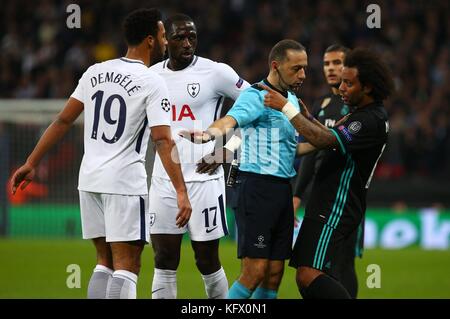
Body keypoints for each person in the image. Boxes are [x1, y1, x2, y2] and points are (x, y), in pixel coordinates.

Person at [10, 8, 192, 299]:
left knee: (103, 263)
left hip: (90, 181)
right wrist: (181, 190)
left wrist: (32, 162)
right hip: (123, 184)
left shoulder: (95, 71)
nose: (166, 41)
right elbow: (163, 140)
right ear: (149, 40)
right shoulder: (152, 81)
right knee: (128, 266)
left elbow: (63, 120)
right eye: (161, 35)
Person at [260, 48, 394, 298]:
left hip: (336, 207)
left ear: (367, 87)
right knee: (307, 275)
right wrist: (308, 117)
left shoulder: (368, 120)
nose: (341, 87)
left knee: (309, 274)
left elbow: (326, 141)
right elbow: (331, 137)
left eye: (348, 83)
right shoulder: (363, 114)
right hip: (326, 203)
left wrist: (287, 110)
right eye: (341, 81)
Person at [194, 39, 307, 299]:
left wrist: (334, 141)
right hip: (255, 186)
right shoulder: (256, 95)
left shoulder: (291, 101)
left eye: (304, 68)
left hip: (281, 189)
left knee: (275, 273)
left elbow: (289, 148)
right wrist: (209, 135)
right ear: (276, 66)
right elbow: (231, 121)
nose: (302, 75)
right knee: (254, 271)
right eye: (296, 68)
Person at [148, 14, 250, 299]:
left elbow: (258, 108)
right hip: (164, 179)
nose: (187, 43)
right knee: (163, 260)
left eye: (192, 36)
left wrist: (227, 151)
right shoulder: (152, 76)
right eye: (180, 37)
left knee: (206, 260)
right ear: (166, 39)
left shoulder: (216, 72)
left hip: (204, 180)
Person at [292, 44, 363, 298]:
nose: (331, 68)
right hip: (321, 198)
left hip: (345, 199)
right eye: (326, 63)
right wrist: (297, 195)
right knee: (317, 266)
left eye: (337, 63)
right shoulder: (321, 105)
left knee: (343, 263)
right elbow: (312, 155)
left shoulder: (356, 107)